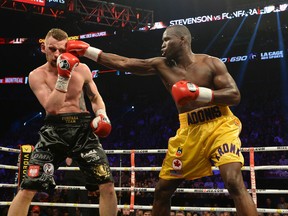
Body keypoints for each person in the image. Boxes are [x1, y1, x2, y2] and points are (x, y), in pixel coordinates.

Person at [66, 24, 258, 216]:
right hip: (189, 130)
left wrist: (199, 93)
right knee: (162, 191)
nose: (163, 45)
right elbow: (124, 62)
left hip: (220, 125)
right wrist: (88, 51)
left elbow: (234, 95)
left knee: (233, 182)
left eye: (167, 40)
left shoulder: (211, 63)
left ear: (183, 40)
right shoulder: (161, 64)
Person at [7, 28, 117, 216]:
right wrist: (63, 76)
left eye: (61, 49)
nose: (57, 54)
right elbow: (52, 108)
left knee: (106, 184)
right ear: (43, 48)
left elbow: (95, 97)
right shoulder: (36, 75)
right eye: (52, 49)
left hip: (83, 129)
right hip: (54, 130)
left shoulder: (82, 69)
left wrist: (102, 114)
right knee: (28, 188)